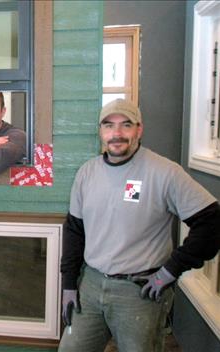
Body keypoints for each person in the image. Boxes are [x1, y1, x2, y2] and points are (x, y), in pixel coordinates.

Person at [59, 99, 220, 352]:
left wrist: (170, 271)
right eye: (109, 126)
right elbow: (74, 230)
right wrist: (68, 283)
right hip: (90, 286)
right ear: (100, 131)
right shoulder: (86, 173)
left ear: (139, 129)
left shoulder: (165, 172)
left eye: (126, 125)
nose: (117, 134)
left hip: (140, 294)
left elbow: (212, 221)